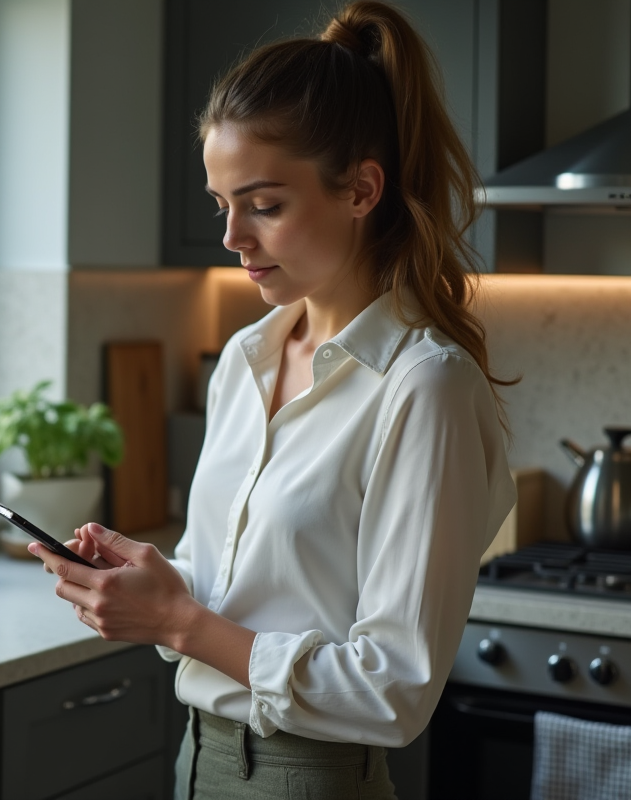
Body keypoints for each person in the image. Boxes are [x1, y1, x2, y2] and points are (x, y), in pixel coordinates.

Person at [26, 2, 518, 798]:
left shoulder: (424, 386)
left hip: (308, 776)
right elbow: (244, 593)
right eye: (222, 204)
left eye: (264, 204)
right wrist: (155, 587)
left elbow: (394, 689)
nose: (232, 237)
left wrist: (181, 625)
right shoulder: (245, 360)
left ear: (361, 189)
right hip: (197, 760)